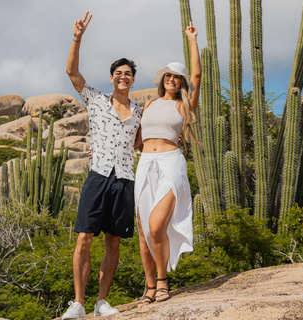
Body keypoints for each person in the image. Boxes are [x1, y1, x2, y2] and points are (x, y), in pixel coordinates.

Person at [62, 11, 142, 319]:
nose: (123, 77)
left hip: (124, 179)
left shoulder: (138, 110)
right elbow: (72, 72)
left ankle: (101, 302)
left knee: (114, 241)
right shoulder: (95, 99)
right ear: (112, 78)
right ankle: (79, 303)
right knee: (84, 238)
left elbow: (138, 142)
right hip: (98, 176)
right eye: (119, 73)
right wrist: (77, 37)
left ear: (133, 79)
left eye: (128, 74)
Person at [134, 21, 201, 308]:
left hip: (170, 163)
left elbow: (197, 74)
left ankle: (162, 281)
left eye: (177, 77)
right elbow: (135, 141)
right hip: (145, 162)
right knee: (143, 231)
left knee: (156, 225)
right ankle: (149, 287)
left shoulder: (183, 106)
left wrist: (192, 40)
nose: (172, 79)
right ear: (162, 79)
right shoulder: (148, 105)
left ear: (181, 83)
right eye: (168, 76)